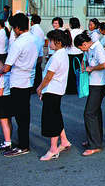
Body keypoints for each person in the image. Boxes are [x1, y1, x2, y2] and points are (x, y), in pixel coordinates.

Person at [0, 13, 38, 157]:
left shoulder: (18, 43)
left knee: (20, 116)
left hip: (18, 80)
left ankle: (23, 145)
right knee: (24, 114)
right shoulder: (36, 39)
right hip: (29, 79)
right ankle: (23, 141)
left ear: (16, 28)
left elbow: (7, 66)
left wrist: (0, 69)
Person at [35, 29, 71, 161]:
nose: (48, 43)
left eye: (50, 40)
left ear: (58, 42)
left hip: (52, 90)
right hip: (56, 90)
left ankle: (53, 149)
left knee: (51, 119)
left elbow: (48, 76)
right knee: (56, 116)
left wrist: (39, 88)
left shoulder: (57, 56)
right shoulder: (61, 53)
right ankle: (64, 140)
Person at [74, 31, 105, 156]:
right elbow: (86, 60)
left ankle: (95, 144)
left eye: (81, 47)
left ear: (84, 44)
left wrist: (91, 68)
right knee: (95, 112)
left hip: (99, 84)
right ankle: (95, 139)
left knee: (89, 113)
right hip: (93, 83)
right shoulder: (89, 49)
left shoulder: (97, 48)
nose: (81, 50)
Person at [66, 17, 84, 95]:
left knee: (70, 72)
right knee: (79, 71)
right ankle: (79, 88)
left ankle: (70, 89)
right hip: (80, 53)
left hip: (69, 54)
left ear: (70, 24)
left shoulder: (69, 33)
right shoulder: (82, 32)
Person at [29, 15, 45, 88]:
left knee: (34, 70)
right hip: (39, 52)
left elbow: (32, 41)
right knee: (38, 69)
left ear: (32, 21)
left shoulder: (33, 29)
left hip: (35, 52)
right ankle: (38, 85)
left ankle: (35, 86)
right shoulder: (40, 30)